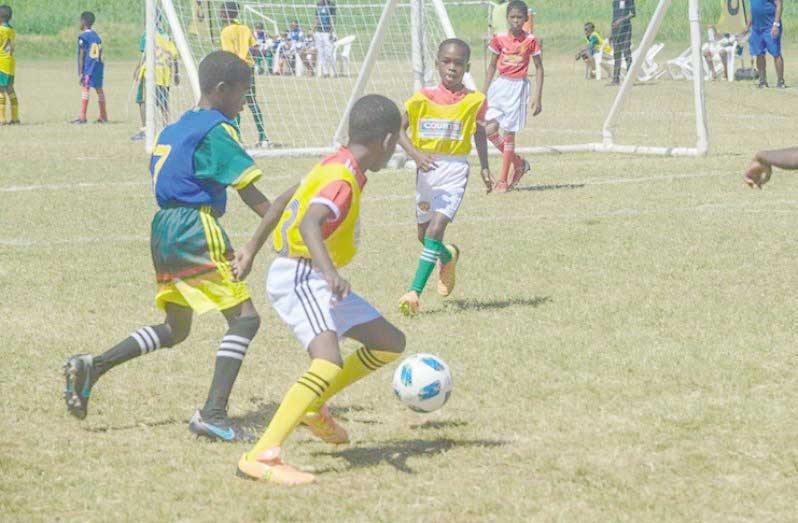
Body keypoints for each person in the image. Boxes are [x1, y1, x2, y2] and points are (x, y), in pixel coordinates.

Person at [62, 51, 294, 443]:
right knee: (245, 319)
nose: (244, 101)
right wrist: (283, 227)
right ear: (221, 90)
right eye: (243, 93)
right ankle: (212, 413)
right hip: (194, 226)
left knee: (176, 328)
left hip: (164, 227)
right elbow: (251, 195)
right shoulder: (217, 130)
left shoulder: (175, 127)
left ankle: (93, 366)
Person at [233, 95, 405, 486]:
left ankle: (314, 407)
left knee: (389, 342)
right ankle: (262, 455)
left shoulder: (336, 162)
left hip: (309, 272)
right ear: (387, 140)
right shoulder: (342, 179)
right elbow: (311, 223)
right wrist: (329, 273)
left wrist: (250, 250)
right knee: (326, 362)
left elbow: (280, 202)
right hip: (302, 274)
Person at [397, 39, 493, 316]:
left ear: (467, 67)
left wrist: (484, 166)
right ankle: (447, 257)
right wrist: (415, 154)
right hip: (426, 171)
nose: (452, 68)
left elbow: (479, 131)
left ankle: (413, 292)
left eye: (458, 63)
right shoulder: (422, 99)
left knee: (436, 229)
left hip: (455, 170)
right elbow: (398, 129)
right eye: (447, 62)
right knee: (424, 235)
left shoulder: (475, 101)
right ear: (437, 63)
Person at [484, 0, 543, 193]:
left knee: (509, 133)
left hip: (518, 88)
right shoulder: (499, 39)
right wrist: (483, 92)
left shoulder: (530, 40)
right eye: (512, 17)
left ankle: (502, 181)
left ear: (526, 19)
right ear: (507, 18)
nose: (516, 21)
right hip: (500, 86)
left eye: (520, 17)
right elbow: (492, 65)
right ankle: (519, 163)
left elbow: (539, 68)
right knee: (489, 129)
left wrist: (537, 97)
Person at [219, 1, 270, 147]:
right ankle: (263, 137)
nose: (220, 14)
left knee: (233, 102)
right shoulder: (245, 28)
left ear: (225, 14)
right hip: (248, 69)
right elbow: (254, 48)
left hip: (234, 69)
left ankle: (237, 139)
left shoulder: (225, 31)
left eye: (222, 12)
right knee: (252, 102)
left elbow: (227, 54)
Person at [132, 26, 180, 141]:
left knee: (142, 100)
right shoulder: (166, 36)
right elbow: (174, 55)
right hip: (164, 73)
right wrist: (176, 73)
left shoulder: (147, 34)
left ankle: (145, 130)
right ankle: (166, 130)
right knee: (163, 103)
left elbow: (145, 55)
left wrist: (137, 69)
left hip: (151, 72)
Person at [74, 11, 107, 124]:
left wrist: (81, 72)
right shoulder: (96, 36)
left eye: (80, 20)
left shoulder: (83, 36)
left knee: (85, 89)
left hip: (89, 67)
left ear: (83, 22)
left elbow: (82, 55)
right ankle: (103, 116)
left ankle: (82, 116)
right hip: (98, 66)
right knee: (99, 90)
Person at [748, 0, 785, 88]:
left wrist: (776, 24)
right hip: (756, 28)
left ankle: (780, 81)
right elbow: (752, 9)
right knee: (759, 54)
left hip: (770, 27)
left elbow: (779, 4)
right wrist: (748, 25)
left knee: (776, 53)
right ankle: (762, 81)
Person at [0, 4, 19, 125]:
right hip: (10, 63)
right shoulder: (12, 30)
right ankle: (15, 118)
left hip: (1, 64)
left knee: (0, 90)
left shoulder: (1, 30)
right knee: (10, 89)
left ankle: (1, 119)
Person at [610, 0, 635, 86]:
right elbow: (614, 17)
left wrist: (621, 21)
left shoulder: (629, 1)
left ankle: (629, 80)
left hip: (625, 30)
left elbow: (633, 13)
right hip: (616, 31)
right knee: (616, 55)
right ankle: (615, 79)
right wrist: (611, 33)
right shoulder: (615, 2)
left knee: (627, 54)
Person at [314, 0, 336, 78]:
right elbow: (316, 17)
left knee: (329, 52)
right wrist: (314, 28)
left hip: (327, 31)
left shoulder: (331, 5)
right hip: (319, 31)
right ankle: (325, 72)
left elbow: (334, 18)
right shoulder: (318, 4)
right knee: (320, 52)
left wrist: (332, 30)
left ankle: (333, 71)